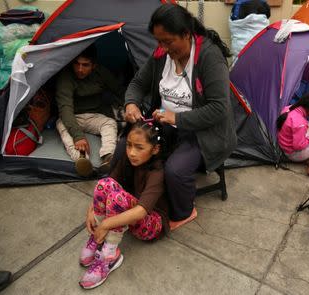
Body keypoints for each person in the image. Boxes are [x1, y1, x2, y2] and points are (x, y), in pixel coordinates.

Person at [123, 4, 237, 230]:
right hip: (166, 123)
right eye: (159, 41)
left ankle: (186, 211)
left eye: (168, 41)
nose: (163, 48)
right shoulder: (160, 54)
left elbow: (219, 108)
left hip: (204, 131)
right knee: (125, 149)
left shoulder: (208, 57)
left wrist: (177, 118)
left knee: (174, 170)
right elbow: (137, 83)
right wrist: (131, 103)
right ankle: (131, 199)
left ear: (186, 34)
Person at [78, 121, 169, 289]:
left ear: (154, 149)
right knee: (103, 184)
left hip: (151, 223)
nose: (132, 152)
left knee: (118, 198)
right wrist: (91, 211)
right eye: (128, 145)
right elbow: (109, 183)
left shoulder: (157, 172)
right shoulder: (127, 160)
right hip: (129, 209)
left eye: (139, 148)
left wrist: (105, 224)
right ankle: (98, 236)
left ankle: (110, 256)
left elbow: (141, 212)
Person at [56, 44, 125, 177]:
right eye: (77, 64)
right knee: (61, 124)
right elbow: (65, 108)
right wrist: (78, 136)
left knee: (109, 123)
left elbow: (119, 91)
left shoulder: (101, 73)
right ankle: (81, 160)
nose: (80, 69)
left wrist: (128, 106)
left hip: (96, 115)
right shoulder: (66, 77)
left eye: (85, 65)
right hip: (73, 116)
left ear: (93, 66)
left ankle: (108, 157)